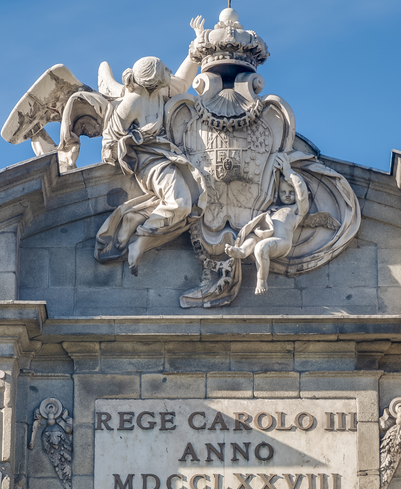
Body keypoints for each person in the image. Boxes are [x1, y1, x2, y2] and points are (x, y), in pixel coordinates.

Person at [94, 19, 205, 275]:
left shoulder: (162, 91)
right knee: (180, 204)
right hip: (149, 163)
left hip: (167, 156)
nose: (170, 72)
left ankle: (135, 218)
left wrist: (198, 42)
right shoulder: (131, 102)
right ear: (155, 79)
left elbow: (184, 80)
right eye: (166, 70)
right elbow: (110, 141)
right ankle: (139, 240)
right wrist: (127, 145)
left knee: (191, 197)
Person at [225, 157, 311, 294]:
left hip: (281, 242)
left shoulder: (297, 211)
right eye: (283, 192)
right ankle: (242, 251)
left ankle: (261, 280)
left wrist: (288, 172)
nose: (288, 195)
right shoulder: (273, 209)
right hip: (265, 234)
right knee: (253, 238)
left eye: (291, 192)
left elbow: (301, 194)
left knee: (261, 247)